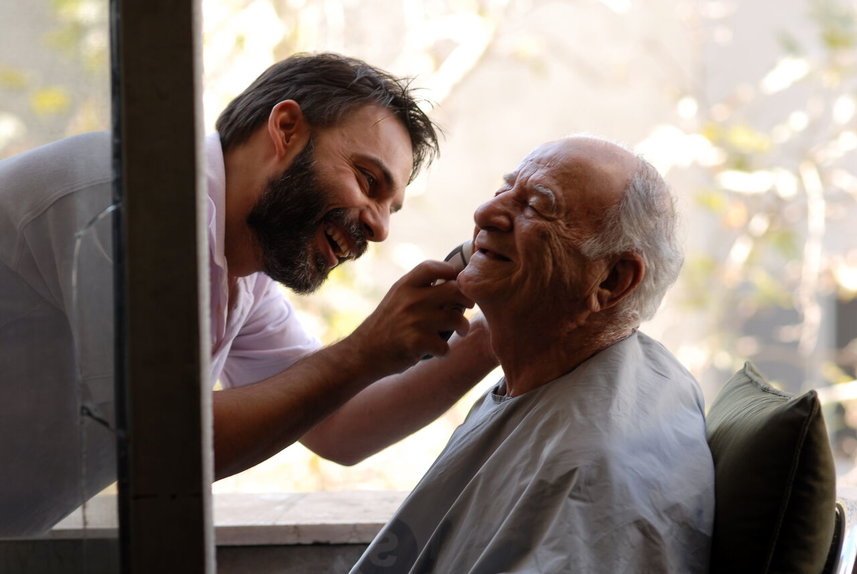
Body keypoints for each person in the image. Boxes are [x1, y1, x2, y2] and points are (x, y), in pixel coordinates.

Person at [0, 52, 497, 536]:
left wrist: (497, 333)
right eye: (368, 181)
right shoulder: (131, 199)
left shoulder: (241, 271)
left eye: (391, 207)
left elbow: (338, 428)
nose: (380, 228)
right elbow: (168, 446)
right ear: (286, 129)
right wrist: (364, 350)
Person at [351, 136, 715, 573]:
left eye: (537, 206)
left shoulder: (587, 472)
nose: (485, 213)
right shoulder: (560, 372)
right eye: (503, 191)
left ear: (612, 280)